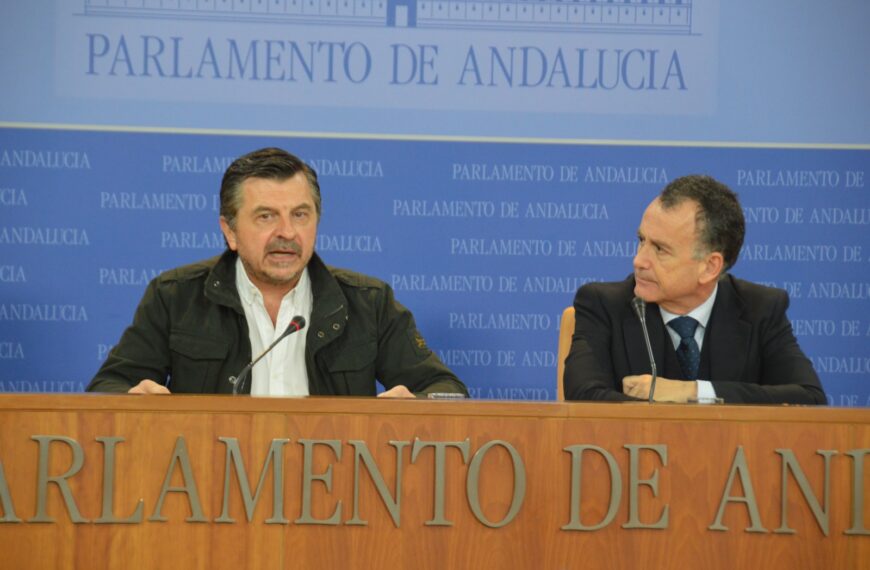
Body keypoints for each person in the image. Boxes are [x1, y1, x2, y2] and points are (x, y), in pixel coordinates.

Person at [87, 147, 467, 398]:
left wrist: (416, 405)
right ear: (230, 231)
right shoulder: (175, 297)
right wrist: (134, 399)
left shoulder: (368, 303)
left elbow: (447, 390)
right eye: (266, 216)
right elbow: (107, 387)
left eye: (300, 215)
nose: (287, 232)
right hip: (211, 493)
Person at [563, 174, 825, 404]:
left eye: (660, 249)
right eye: (642, 240)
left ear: (710, 267)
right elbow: (584, 396)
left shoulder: (761, 310)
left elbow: (808, 398)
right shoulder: (603, 305)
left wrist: (691, 391)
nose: (639, 261)